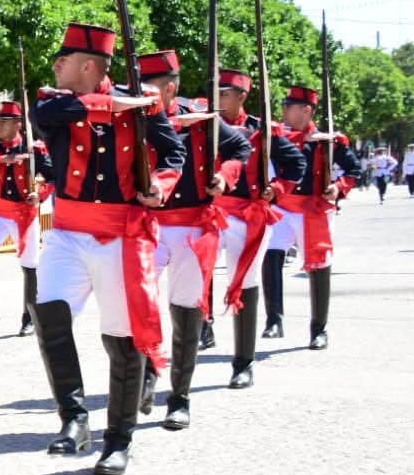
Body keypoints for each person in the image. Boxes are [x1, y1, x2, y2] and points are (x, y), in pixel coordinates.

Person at [27, 23, 184, 475]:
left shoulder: (144, 106)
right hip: (67, 232)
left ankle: (118, 439)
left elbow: (172, 155)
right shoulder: (55, 103)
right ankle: (74, 419)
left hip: (120, 235)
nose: (56, 66)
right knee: (49, 313)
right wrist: (110, 104)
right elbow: (45, 117)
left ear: (89, 66)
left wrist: (160, 186)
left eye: (65, 60)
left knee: (123, 339)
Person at [140, 50, 251, 431]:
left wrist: (224, 175)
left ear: (170, 89)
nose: (143, 93)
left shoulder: (199, 117)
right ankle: (146, 375)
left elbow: (240, 148)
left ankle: (179, 397)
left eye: (151, 88)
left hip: (192, 225)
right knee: (138, 302)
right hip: (147, 225)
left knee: (186, 310)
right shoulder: (134, 115)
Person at [213, 68, 306, 390]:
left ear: (242, 96)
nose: (218, 98)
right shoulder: (206, 123)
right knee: (193, 275)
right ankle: (203, 328)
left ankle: (244, 362)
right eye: (215, 92)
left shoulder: (262, 130)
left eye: (224, 93)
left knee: (245, 284)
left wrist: (276, 189)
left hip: (247, 214)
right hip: (211, 213)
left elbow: (296, 164)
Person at [265, 86, 360, 350]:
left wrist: (338, 188)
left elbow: (353, 169)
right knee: (271, 254)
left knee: (319, 264)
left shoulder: (328, 141)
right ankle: (274, 319)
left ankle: (319, 329)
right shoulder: (279, 137)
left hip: (313, 209)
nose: (284, 111)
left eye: (289, 106)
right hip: (283, 207)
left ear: (306, 110)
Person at [0, 101, 52, 334]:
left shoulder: (34, 149)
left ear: (18, 124)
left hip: (24, 214)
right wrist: (2, 160)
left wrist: (39, 195)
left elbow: (53, 177)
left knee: (29, 265)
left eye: (5, 122)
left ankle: (29, 316)